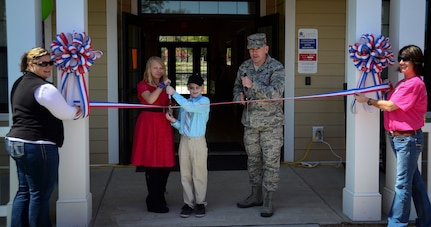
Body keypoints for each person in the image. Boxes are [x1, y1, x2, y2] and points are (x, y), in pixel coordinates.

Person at [4, 47, 83, 227]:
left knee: (24, 191)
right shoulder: (44, 88)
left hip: (15, 142)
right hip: (36, 145)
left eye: (51, 63)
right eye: (43, 64)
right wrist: (77, 111)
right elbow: (66, 113)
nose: (48, 67)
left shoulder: (19, 82)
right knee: (39, 194)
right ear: (30, 65)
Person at [355, 45, 431, 227]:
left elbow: (390, 106)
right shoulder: (404, 83)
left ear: (416, 62)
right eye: (401, 58)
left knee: (402, 185)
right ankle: (426, 221)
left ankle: (397, 223)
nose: (402, 62)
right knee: (414, 183)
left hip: (407, 139)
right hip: (399, 138)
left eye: (406, 59)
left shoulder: (414, 84)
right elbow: (394, 102)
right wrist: (386, 88)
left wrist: (367, 100)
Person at [232, 33, 285, 217]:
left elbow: (276, 93)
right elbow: (238, 86)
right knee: (253, 161)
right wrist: (238, 96)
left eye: (257, 48)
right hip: (250, 123)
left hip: (271, 125)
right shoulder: (245, 67)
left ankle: (268, 199)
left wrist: (253, 85)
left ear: (266, 48)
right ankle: (256, 195)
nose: (254, 52)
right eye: (251, 49)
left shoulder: (276, 67)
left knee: (270, 162)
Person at [130, 56, 175, 213]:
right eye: (155, 68)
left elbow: (169, 103)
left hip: (163, 123)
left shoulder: (164, 86)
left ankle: (159, 195)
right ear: (149, 69)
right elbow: (150, 100)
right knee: (152, 163)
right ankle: (153, 199)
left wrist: (171, 95)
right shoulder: (143, 85)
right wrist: (162, 85)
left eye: (161, 68)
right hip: (148, 124)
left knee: (165, 163)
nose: (159, 71)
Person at [165, 74, 210, 218]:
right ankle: (188, 203)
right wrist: (173, 121)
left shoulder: (204, 101)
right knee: (185, 174)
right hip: (185, 141)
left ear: (202, 88)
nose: (194, 90)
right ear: (188, 88)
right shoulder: (185, 103)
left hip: (198, 142)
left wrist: (174, 93)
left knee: (199, 174)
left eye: (197, 88)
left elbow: (191, 108)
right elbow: (182, 125)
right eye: (192, 88)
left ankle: (200, 203)